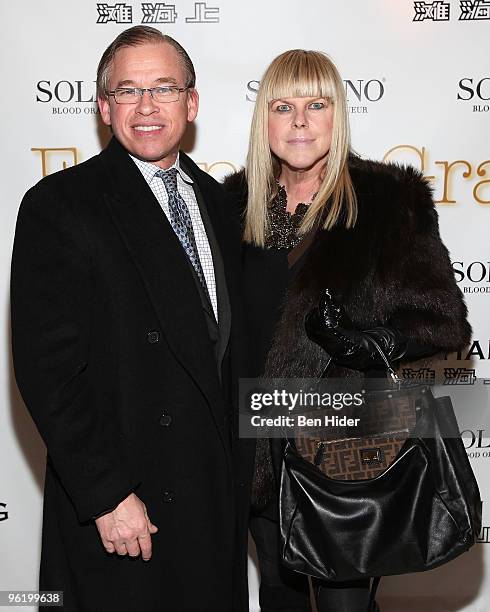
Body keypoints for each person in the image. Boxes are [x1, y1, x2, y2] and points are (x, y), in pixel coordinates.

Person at [11, 26, 254, 612]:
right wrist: (105, 495)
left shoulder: (224, 204)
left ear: (191, 103)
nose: (146, 107)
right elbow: (48, 371)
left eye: (164, 88)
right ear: (103, 107)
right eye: (128, 91)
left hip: (212, 505)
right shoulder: (61, 204)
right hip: (123, 511)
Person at [224, 49, 471, 611]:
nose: (301, 121)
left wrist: (373, 343)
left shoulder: (388, 202)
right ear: (264, 118)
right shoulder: (232, 203)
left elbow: (445, 321)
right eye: (283, 106)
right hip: (254, 446)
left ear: (339, 115)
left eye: (318, 104)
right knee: (277, 600)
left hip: (347, 449)